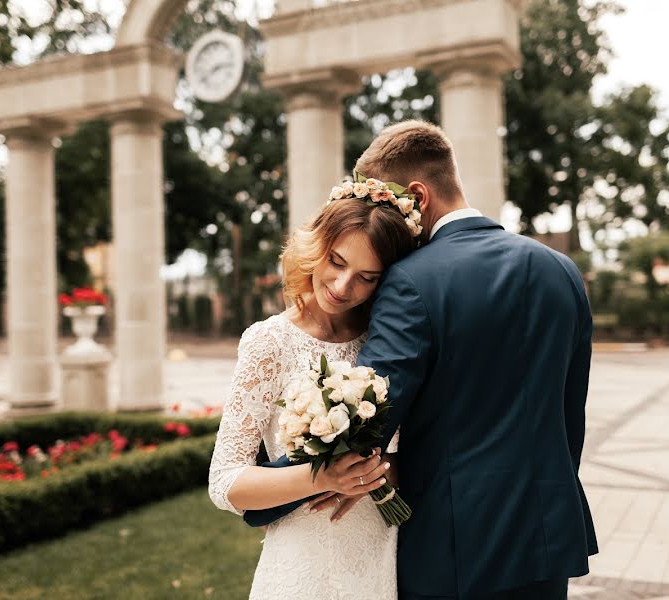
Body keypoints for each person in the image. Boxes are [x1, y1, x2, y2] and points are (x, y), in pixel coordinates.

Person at [245, 120, 598, 600]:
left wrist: (265, 499)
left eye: (385, 202)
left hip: (454, 546)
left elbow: (366, 411)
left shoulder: (412, 281)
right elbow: (569, 416)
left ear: (418, 194)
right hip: (547, 534)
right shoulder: (561, 271)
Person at [208, 191, 418, 599]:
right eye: (337, 262)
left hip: (378, 554)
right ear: (316, 246)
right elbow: (225, 482)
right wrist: (322, 475)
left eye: (367, 277)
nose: (343, 286)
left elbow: (407, 454)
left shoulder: (386, 344)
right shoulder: (268, 342)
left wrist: (381, 472)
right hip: (302, 562)